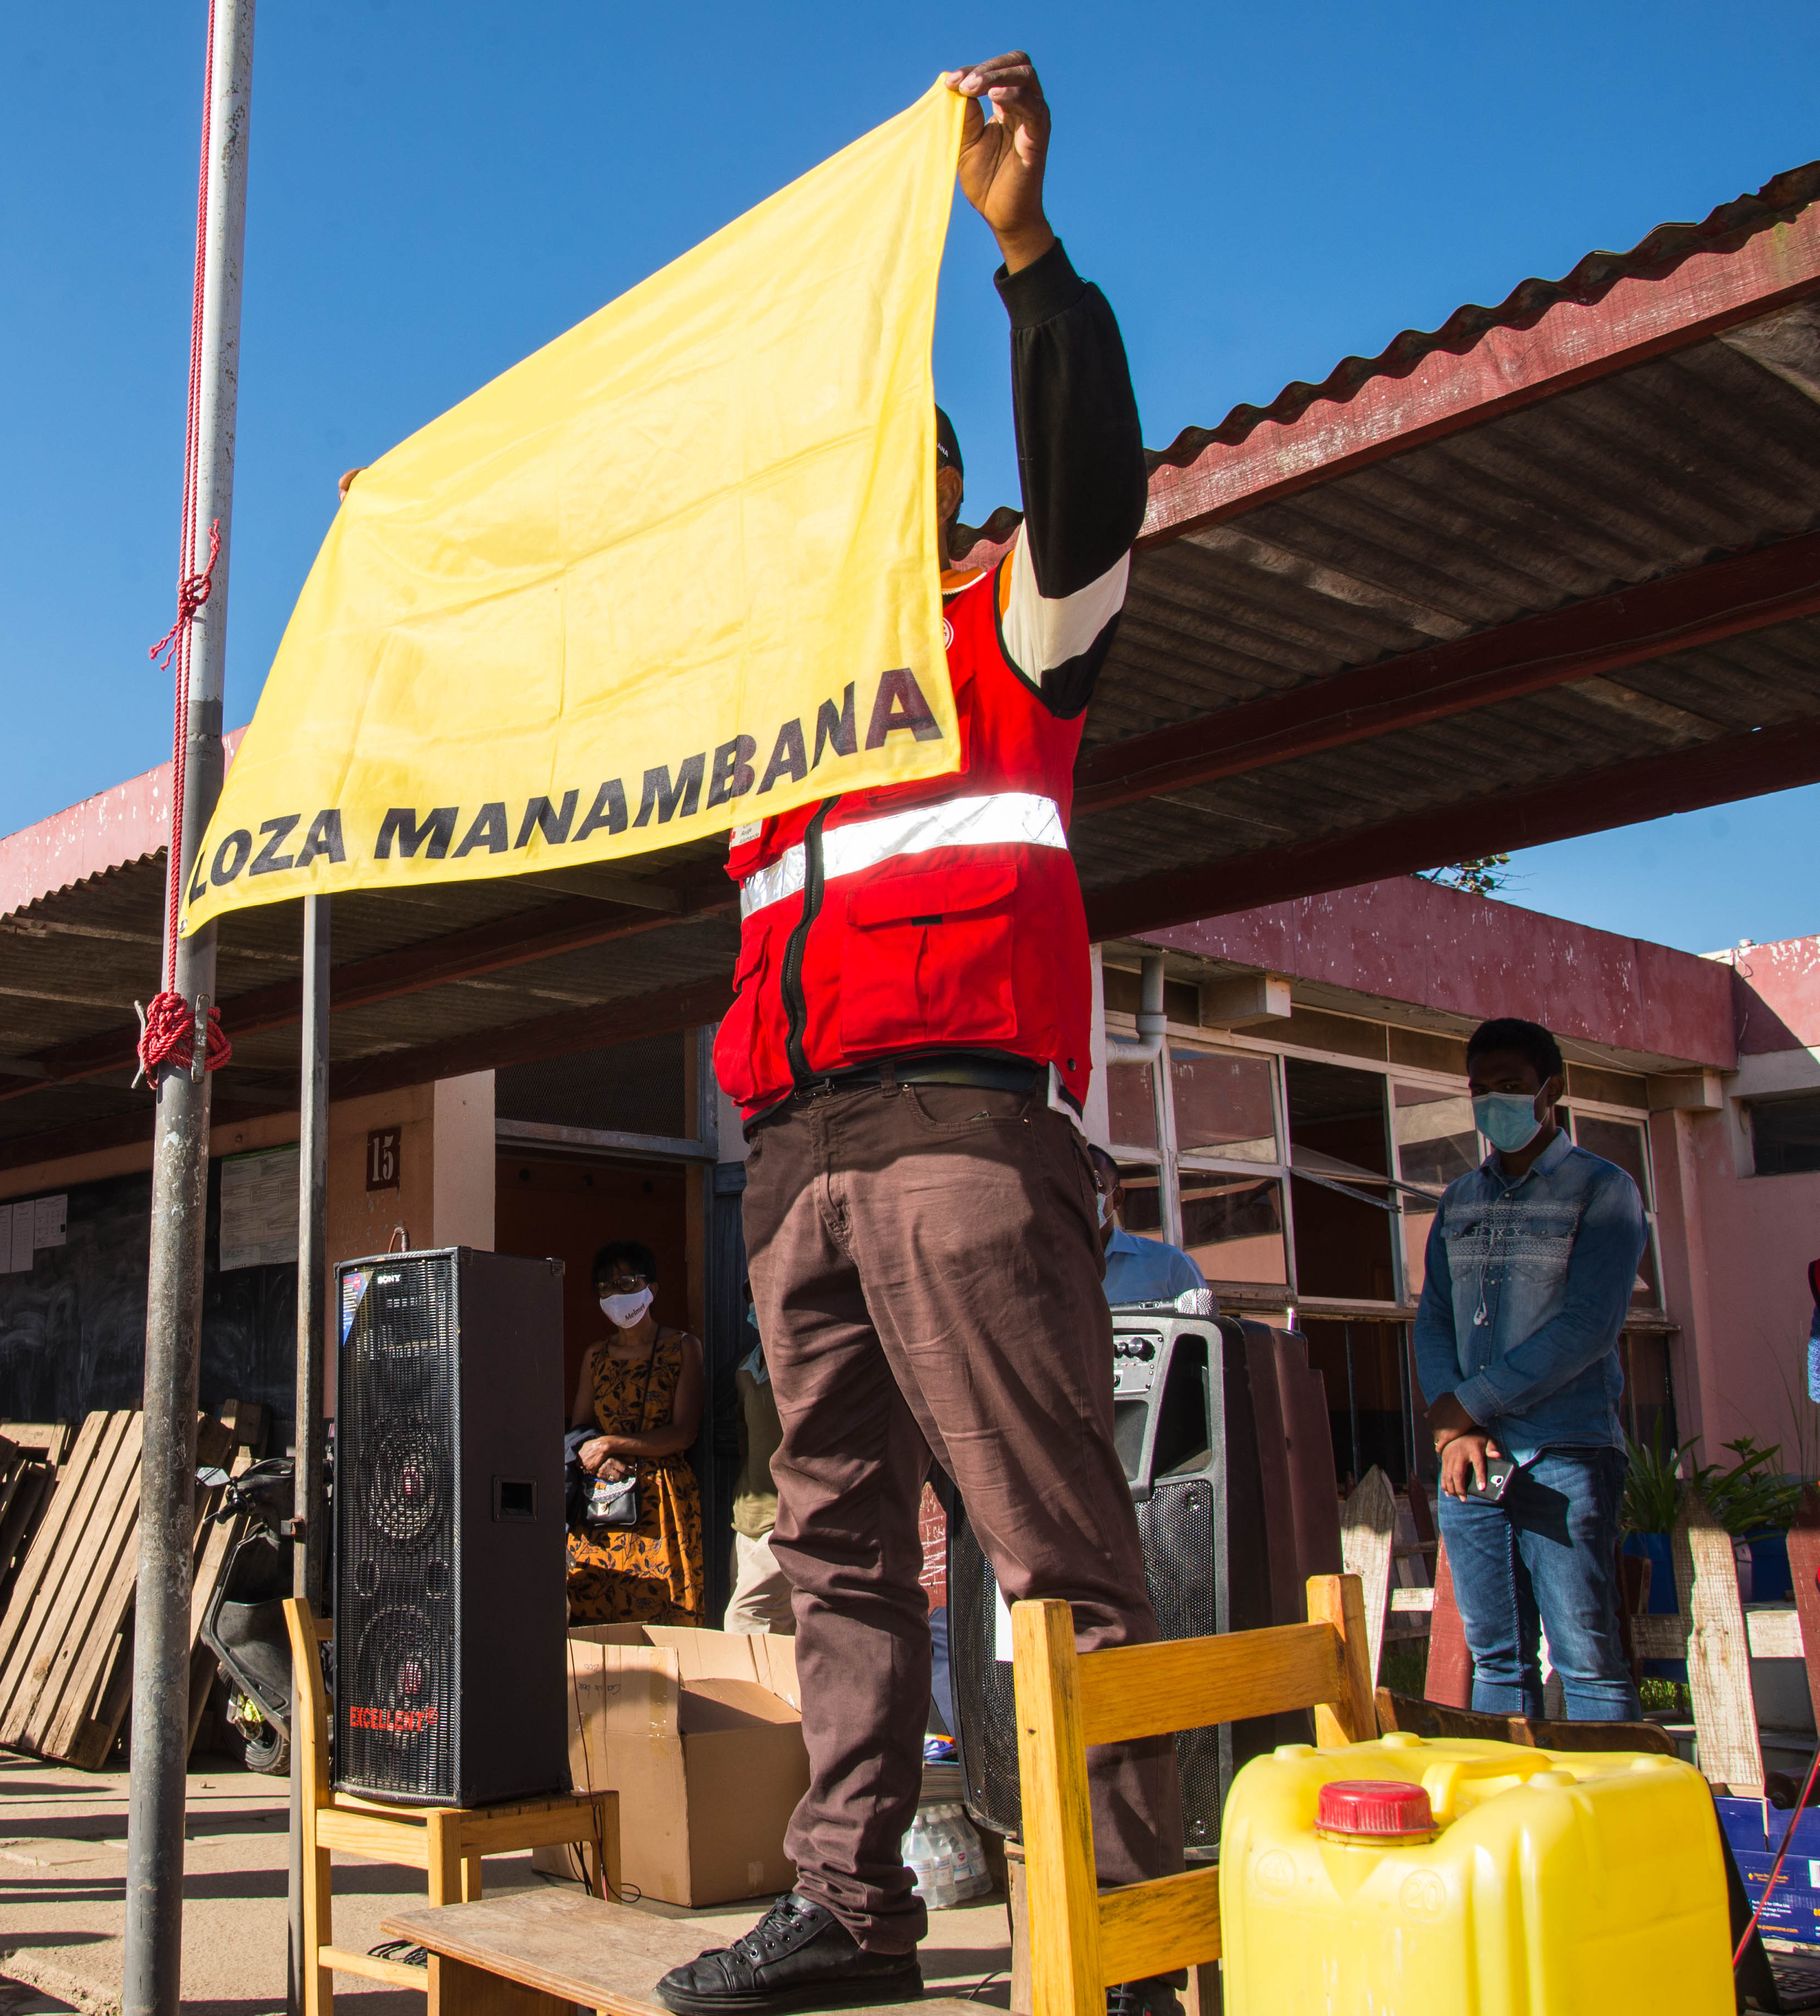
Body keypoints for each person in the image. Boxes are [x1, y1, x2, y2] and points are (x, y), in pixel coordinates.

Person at [666, 53, 1185, 2016]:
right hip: (788, 1156)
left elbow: (1090, 466)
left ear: (959, 501)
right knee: (830, 1546)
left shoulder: (1018, 629)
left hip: (961, 1133)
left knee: (1044, 1528)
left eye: (912, 472)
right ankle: (847, 1903)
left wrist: (1019, 250)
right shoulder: (768, 739)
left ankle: (1125, 1923)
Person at [1413, 1017, 1647, 1722]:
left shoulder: (1603, 1192)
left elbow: (1588, 1329)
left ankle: (1610, 1823)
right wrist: (1453, 1427)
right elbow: (1433, 1320)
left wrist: (1470, 1404)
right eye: (1481, 1090)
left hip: (1564, 1451)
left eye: (1512, 1087)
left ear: (1554, 1089)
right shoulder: (1460, 1200)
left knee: (1586, 1657)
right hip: (1470, 1458)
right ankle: (1508, 1813)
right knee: (1496, 1660)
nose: (1495, 1104)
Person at [566, 1243, 706, 1627]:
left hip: (661, 1504)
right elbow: (579, 1430)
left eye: (627, 1282)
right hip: (603, 1501)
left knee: (664, 1621)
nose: (616, 1293)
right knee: (594, 1617)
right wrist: (602, 1455)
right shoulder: (595, 1355)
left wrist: (612, 1443)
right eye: (606, 1287)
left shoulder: (682, 1348)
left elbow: (683, 1433)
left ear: (652, 1289)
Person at [722, 1301, 789, 1635]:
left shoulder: (804, 1358)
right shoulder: (748, 1369)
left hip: (789, 1520)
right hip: (748, 1518)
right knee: (781, 1633)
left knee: (745, 1620)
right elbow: (746, 1441)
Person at [1091, 1148, 1209, 1312]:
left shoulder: (1170, 1265)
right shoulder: (1047, 1268)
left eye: (1094, 1185)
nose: (1082, 1197)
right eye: (1072, 1187)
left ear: (1117, 1199)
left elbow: (1202, 1333)